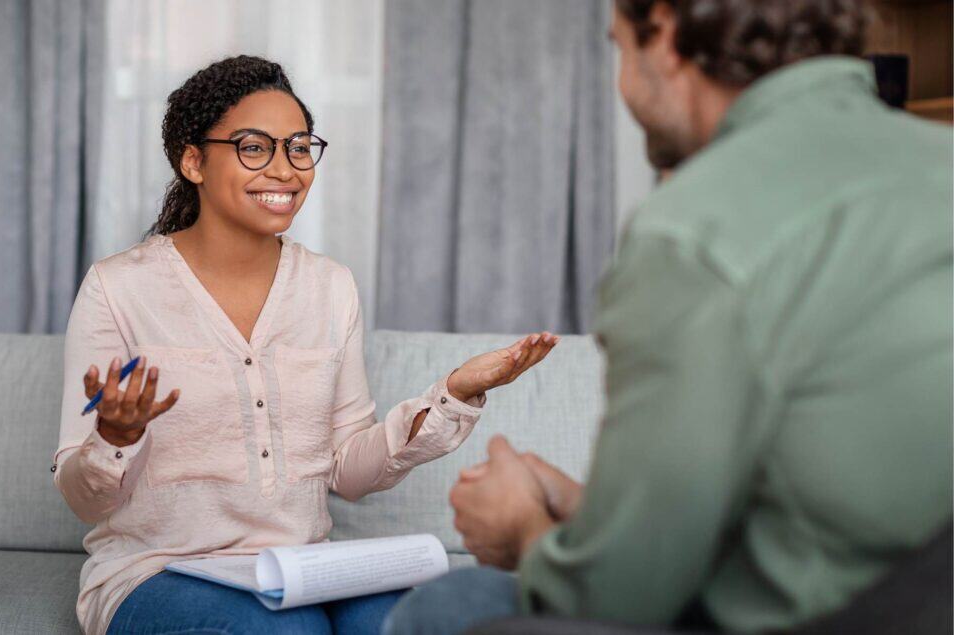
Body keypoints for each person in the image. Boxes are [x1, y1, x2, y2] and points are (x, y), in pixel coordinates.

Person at [384, 1, 953, 633]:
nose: (623, 84)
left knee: (449, 606)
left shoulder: (692, 232)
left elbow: (613, 600)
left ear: (668, 34)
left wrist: (521, 528)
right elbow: (828, 492)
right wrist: (591, 514)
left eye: (621, 50)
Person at [52, 55, 558, 635]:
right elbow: (83, 498)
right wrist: (115, 436)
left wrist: (453, 395)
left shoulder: (330, 285)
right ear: (193, 160)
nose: (285, 169)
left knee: (415, 620)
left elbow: (348, 471)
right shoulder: (119, 288)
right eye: (253, 147)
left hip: (302, 570)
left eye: (297, 146)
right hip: (157, 572)